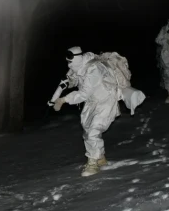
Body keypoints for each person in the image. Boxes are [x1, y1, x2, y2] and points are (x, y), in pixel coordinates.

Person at [53, 46, 144, 177]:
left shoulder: (94, 68)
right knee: (87, 130)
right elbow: (74, 78)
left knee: (93, 131)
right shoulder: (80, 66)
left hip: (106, 101)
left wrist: (63, 100)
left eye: (71, 60)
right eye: (68, 61)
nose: (69, 63)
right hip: (92, 103)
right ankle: (100, 158)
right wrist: (68, 83)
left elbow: (84, 93)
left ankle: (93, 163)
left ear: (78, 57)